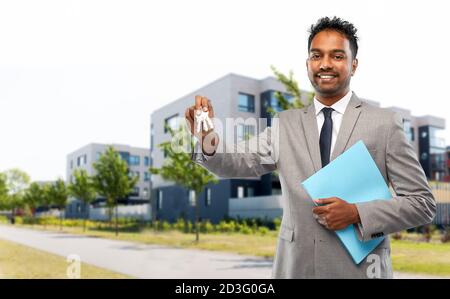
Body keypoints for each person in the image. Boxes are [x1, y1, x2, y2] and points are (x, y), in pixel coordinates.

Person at [184, 16, 436, 279]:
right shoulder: (285, 124)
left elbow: (421, 203)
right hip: (297, 268)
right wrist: (208, 136)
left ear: (354, 65)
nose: (325, 64)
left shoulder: (384, 124)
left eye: (337, 56)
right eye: (317, 55)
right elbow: (237, 162)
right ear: (308, 64)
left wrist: (356, 213)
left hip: (361, 271)